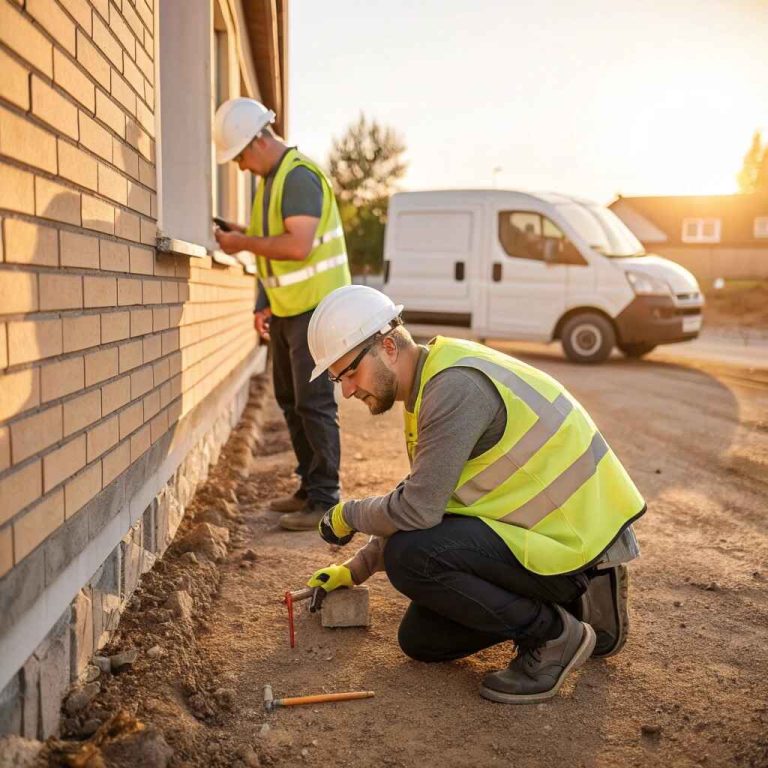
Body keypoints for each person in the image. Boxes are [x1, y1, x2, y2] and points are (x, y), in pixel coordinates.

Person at [304, 285, 645, 704]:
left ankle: (555, 634)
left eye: (349, 373)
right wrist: (354, 569)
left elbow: (418, 510)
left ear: (388, 346)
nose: (347, 391)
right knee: (422, 641)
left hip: (572, 542)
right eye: (339, 379)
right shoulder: (431, 381)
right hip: (537, 537)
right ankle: (580, 606)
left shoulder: (455, 388)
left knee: (411, 557)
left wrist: (346, 516)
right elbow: (433, 496)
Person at [212, 98, 351, 531]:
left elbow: (296, 247)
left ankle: (326, 499)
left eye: (239, 157)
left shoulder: (298, 178)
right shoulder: (272, 184)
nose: (239, 167)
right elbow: (271, 249)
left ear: (257, 141)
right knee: (291, 402)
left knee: (314, 405)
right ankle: (309, 488)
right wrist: (262, 300)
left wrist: (242, 245)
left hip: (318, 310)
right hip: (291, 310)